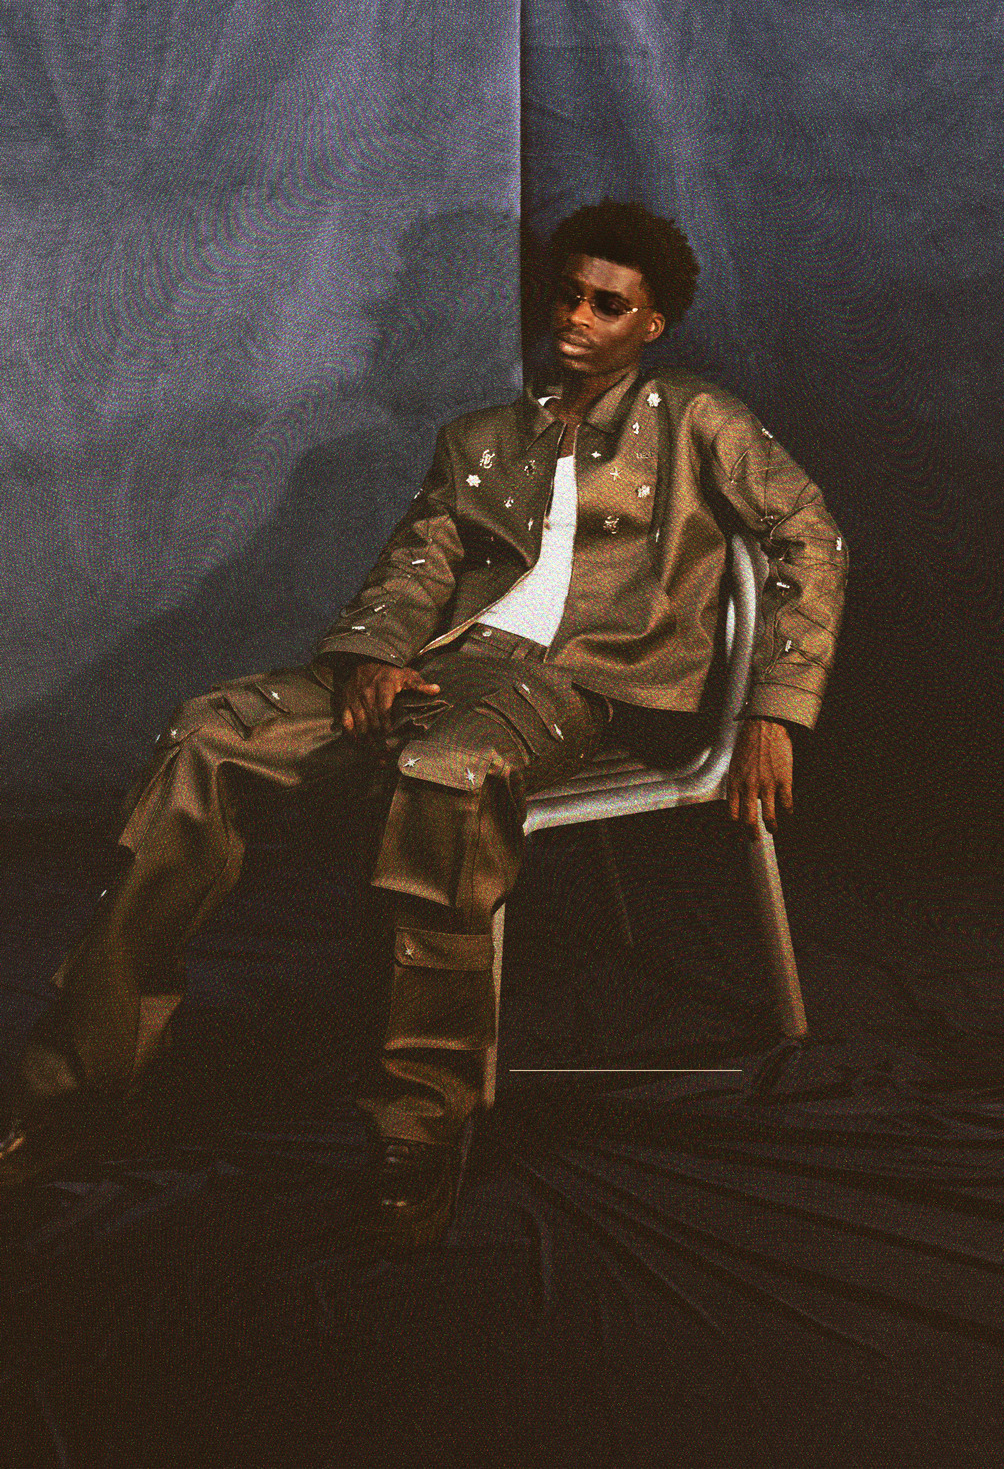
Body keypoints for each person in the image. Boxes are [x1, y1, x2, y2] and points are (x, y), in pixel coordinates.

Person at [0, 201, 847, 1250]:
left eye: (607, 304)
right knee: (207, 734)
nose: (577, 318)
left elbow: (809, 538)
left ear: (651, 324)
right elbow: (415, 567)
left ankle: (420, 1128)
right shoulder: (480, 441)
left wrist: (772, 707)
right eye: (569, 296)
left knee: (447, 772)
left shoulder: (696, 418)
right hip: (448, 671)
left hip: (581, 684)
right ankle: (79, 1088)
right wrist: (371, 657)